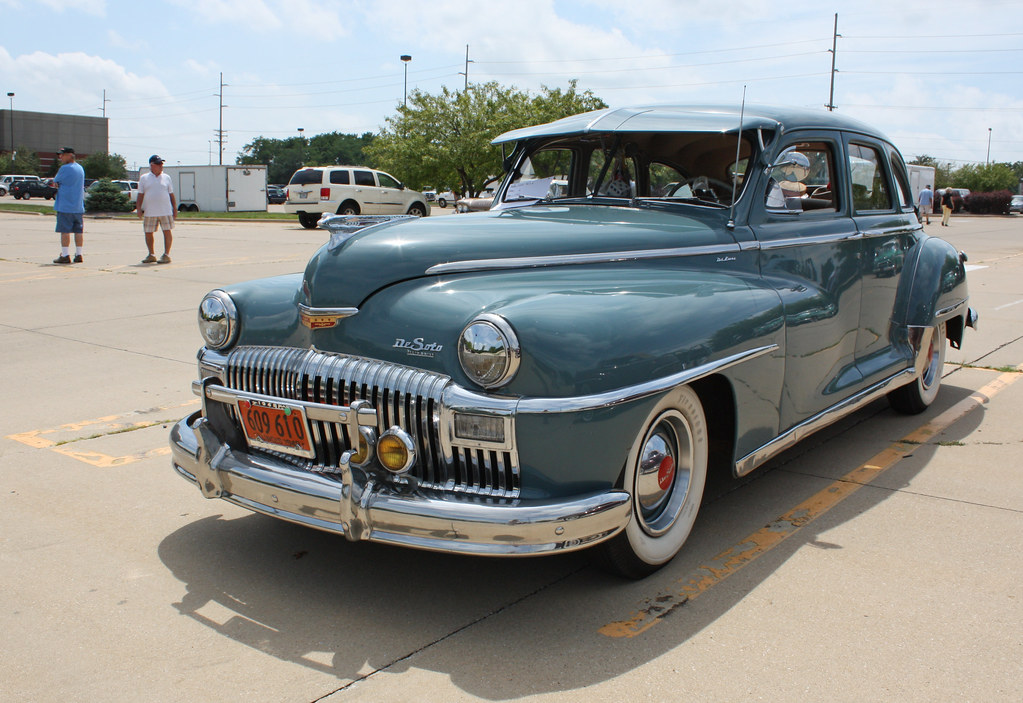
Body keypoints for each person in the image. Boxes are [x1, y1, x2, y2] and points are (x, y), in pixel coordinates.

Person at [137, 154, 177, 263]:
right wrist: (139, 208)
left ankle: (166, 255)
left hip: (165, 211)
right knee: (148, 232)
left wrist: (174, 208)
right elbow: (140, 194)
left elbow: (171, 194)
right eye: (158, 164)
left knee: (167, 231)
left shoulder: (166, 177)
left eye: (161, 164)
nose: (161, 166)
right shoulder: (144, 178)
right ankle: (151, 254)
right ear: (152, 165)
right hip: (150, 211)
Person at [52, 146, 86, 264]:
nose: (60, 157)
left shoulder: (64, 168)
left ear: (70, 155)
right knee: (78, 231)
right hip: (78, 206)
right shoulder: (80, 168)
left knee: (65, 231)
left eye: (62, 155)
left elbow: (55, 181)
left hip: (65, 206)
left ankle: (65, 255)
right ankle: (79, 254)